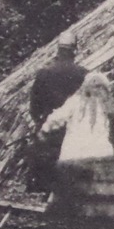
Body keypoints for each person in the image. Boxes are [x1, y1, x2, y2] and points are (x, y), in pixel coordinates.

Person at [28, 33, 88, 192]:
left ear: (58, 49)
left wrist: (41, 122)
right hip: (74, 131)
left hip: (50, 130)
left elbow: (34, 105)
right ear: (74, 50)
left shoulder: (44, 73)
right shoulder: (83, 74)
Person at [40, 70, 114, 163]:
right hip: (101, 154)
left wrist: (45, 130)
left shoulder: (76, 101)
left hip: (74, 153)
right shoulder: (107, 106)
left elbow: (57, 117)